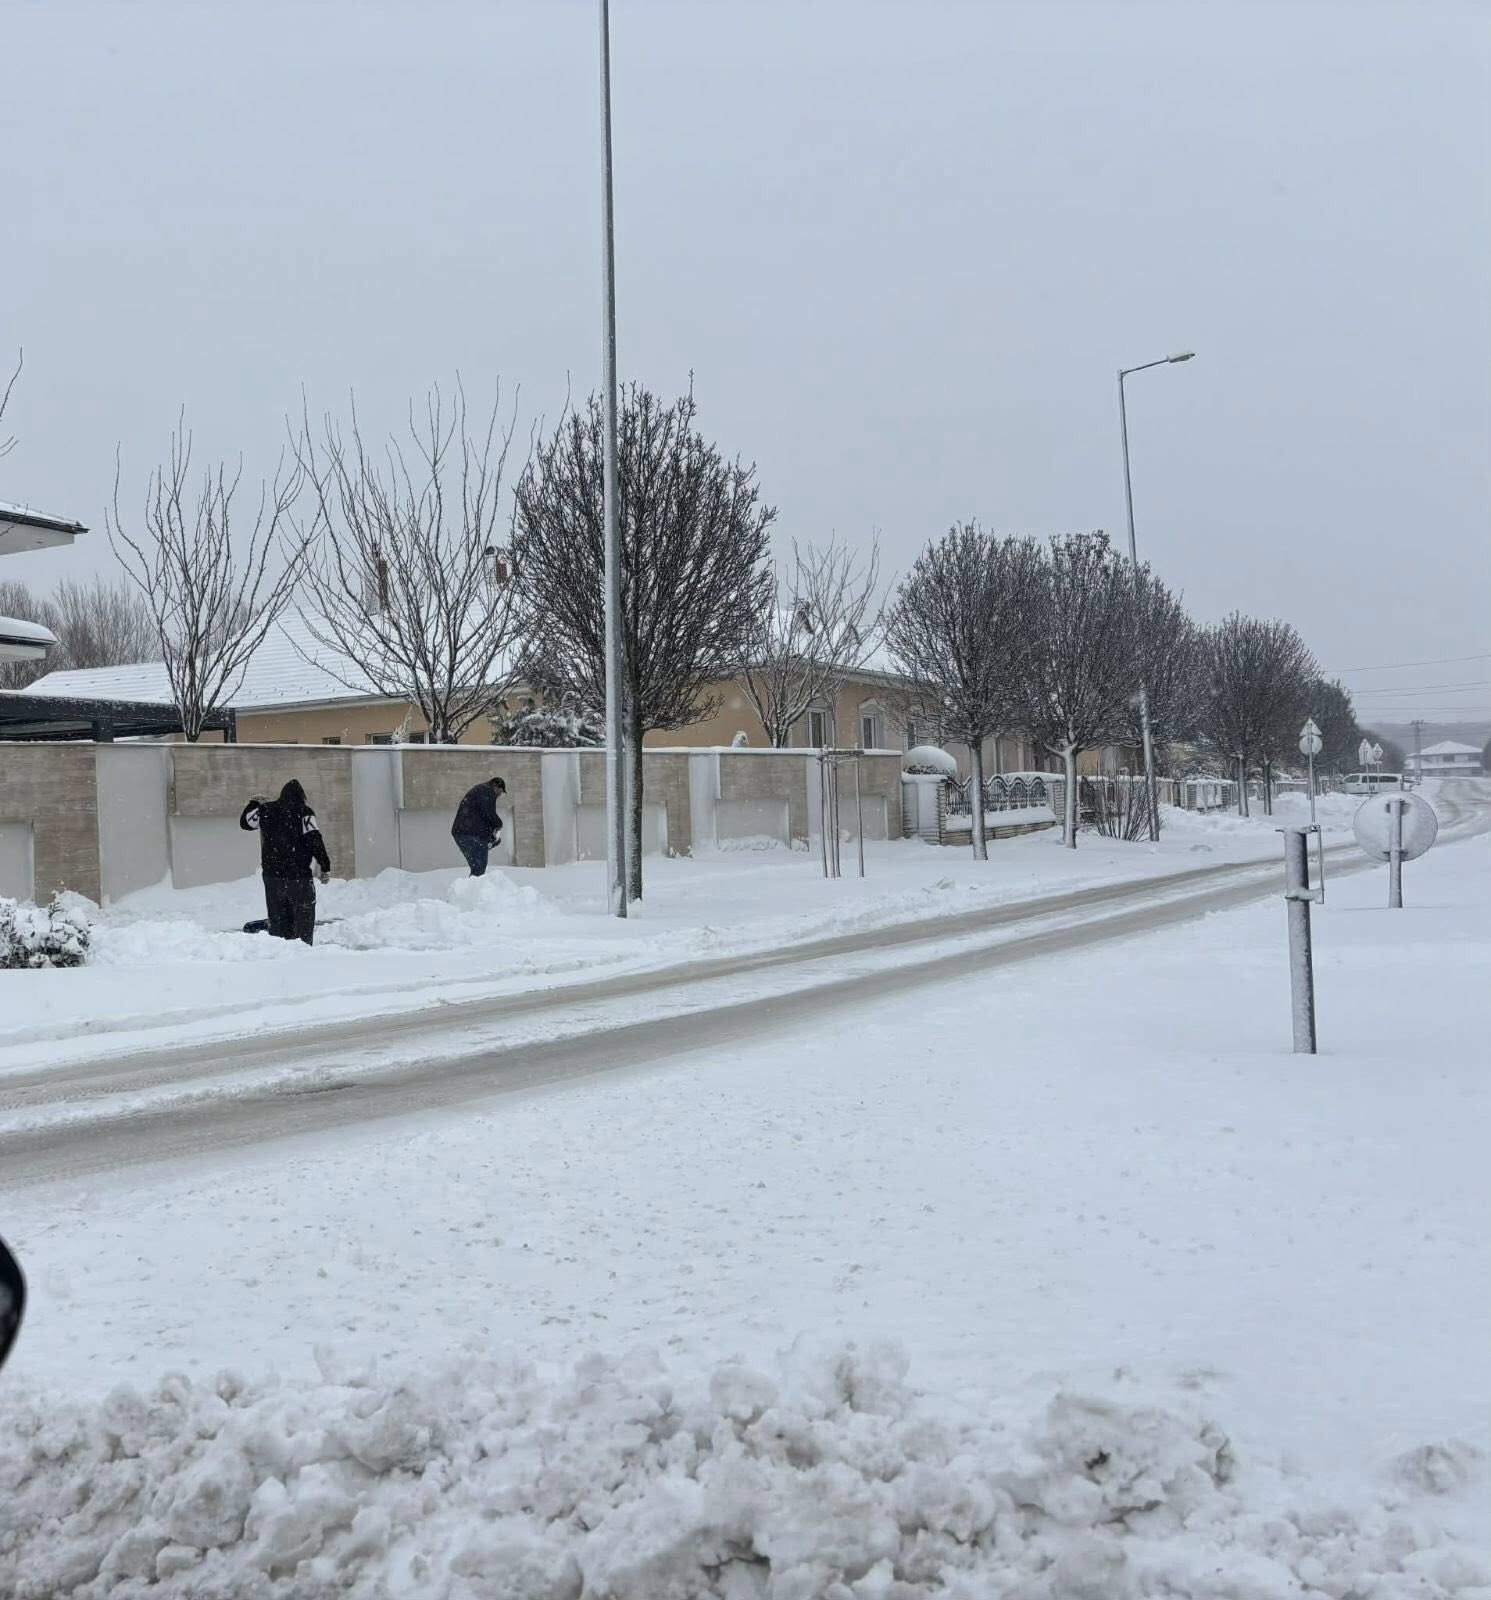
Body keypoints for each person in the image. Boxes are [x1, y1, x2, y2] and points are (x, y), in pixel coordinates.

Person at [239, 779, 331, 945]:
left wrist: (254, 803)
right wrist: (325, 865)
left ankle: (281, 952)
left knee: (279, 919)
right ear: (301, 797)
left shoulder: (266, 809)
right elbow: (314, 838)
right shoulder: (304, 811)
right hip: (299, 876)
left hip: (273, 877)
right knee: (303, 919)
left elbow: (246, 823)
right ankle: (303, 950)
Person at [451, 775, 506, 877]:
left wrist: (491, 838)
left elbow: (482, 817)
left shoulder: (481, 790)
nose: (500, 795)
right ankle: (474, 891)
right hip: (469, 833)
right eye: (501, 791)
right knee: (479, 867)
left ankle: (473, 890)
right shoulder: (487, 791)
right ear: (496, 786)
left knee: (478, 867)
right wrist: (499, 824)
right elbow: (488, 813)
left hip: (463, 833)